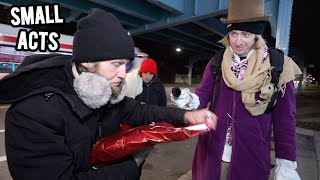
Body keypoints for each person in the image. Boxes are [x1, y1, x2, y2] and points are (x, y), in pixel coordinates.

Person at [0, 8, 217, 180]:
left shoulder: (105, 90)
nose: (124, 74)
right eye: (116, 64)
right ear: (86, 62)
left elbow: (137, 110)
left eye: (126, 64)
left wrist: (185, 117)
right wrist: (130, 167)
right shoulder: (33, 113)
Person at [171, 0, 302, 179]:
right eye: (234, 34)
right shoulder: (217, 62)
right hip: (211, 152)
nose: (238, 41)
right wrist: (190, 100)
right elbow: (203, 94)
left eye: (245, 34)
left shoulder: (277, 67)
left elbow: (285, 121)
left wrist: (286, 164)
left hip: (251, 157)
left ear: (257, 35)